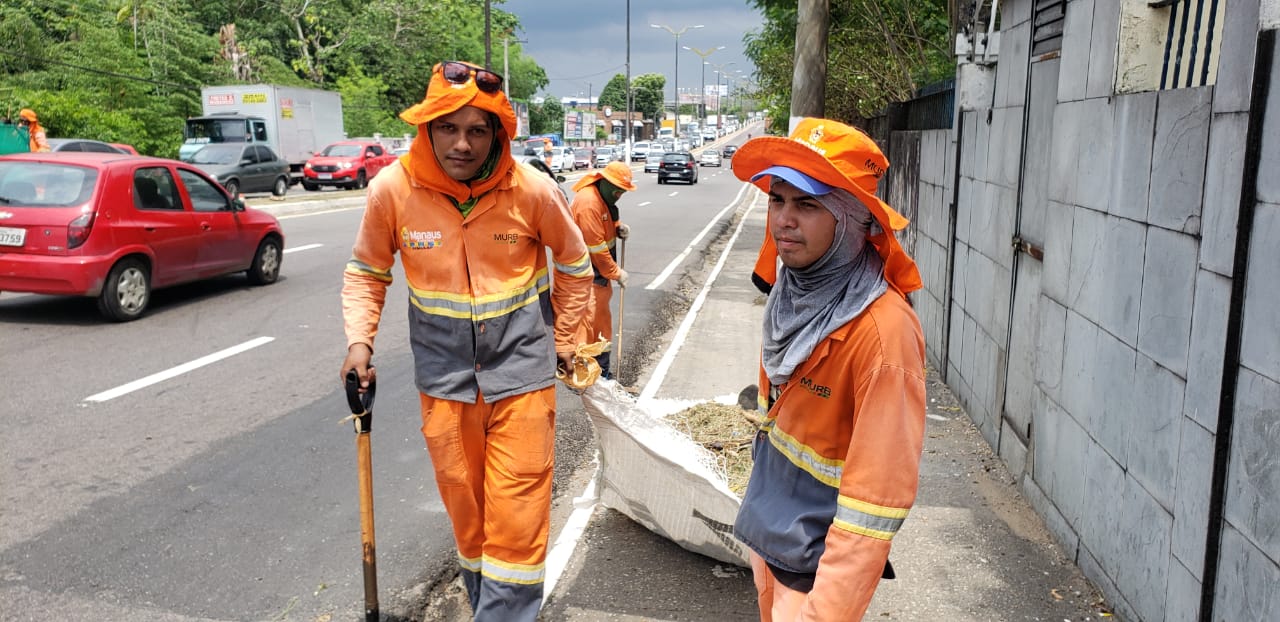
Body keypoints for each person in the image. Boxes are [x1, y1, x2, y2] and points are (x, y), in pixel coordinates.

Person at [339, 60, 594, 621]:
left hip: (522, 377)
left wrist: (569, 338)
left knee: (518, 519)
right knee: (470, 517)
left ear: (497, 134)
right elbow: (367, 273)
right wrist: (360, 343)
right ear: (427, 129)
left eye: (478, 130)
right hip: (444, 381)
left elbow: (575, 263)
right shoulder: (393, 191)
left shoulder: (530, 189)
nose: (462, 143)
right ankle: (489, 607)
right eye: (449, 128)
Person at [730, 117, 927, 622]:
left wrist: (827, 613)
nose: (783, 221)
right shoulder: (792, 297)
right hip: (771, 536)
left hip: (817, 570)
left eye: (808, 204)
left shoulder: (882, 334)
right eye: (778, 199)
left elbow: (874, 504)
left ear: (854, 218)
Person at [568, 161, 636, 378]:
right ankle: (582, 377)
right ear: (604, 182)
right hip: (586, 278)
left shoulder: (603, 198)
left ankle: (603, 375)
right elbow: (596, 249)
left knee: (601, 328)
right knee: (587, 329)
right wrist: (617, 273)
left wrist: (618, 228)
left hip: (599, 279)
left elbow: (607, 223)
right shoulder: (588, 203)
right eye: (617, 191)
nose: (619, 196)